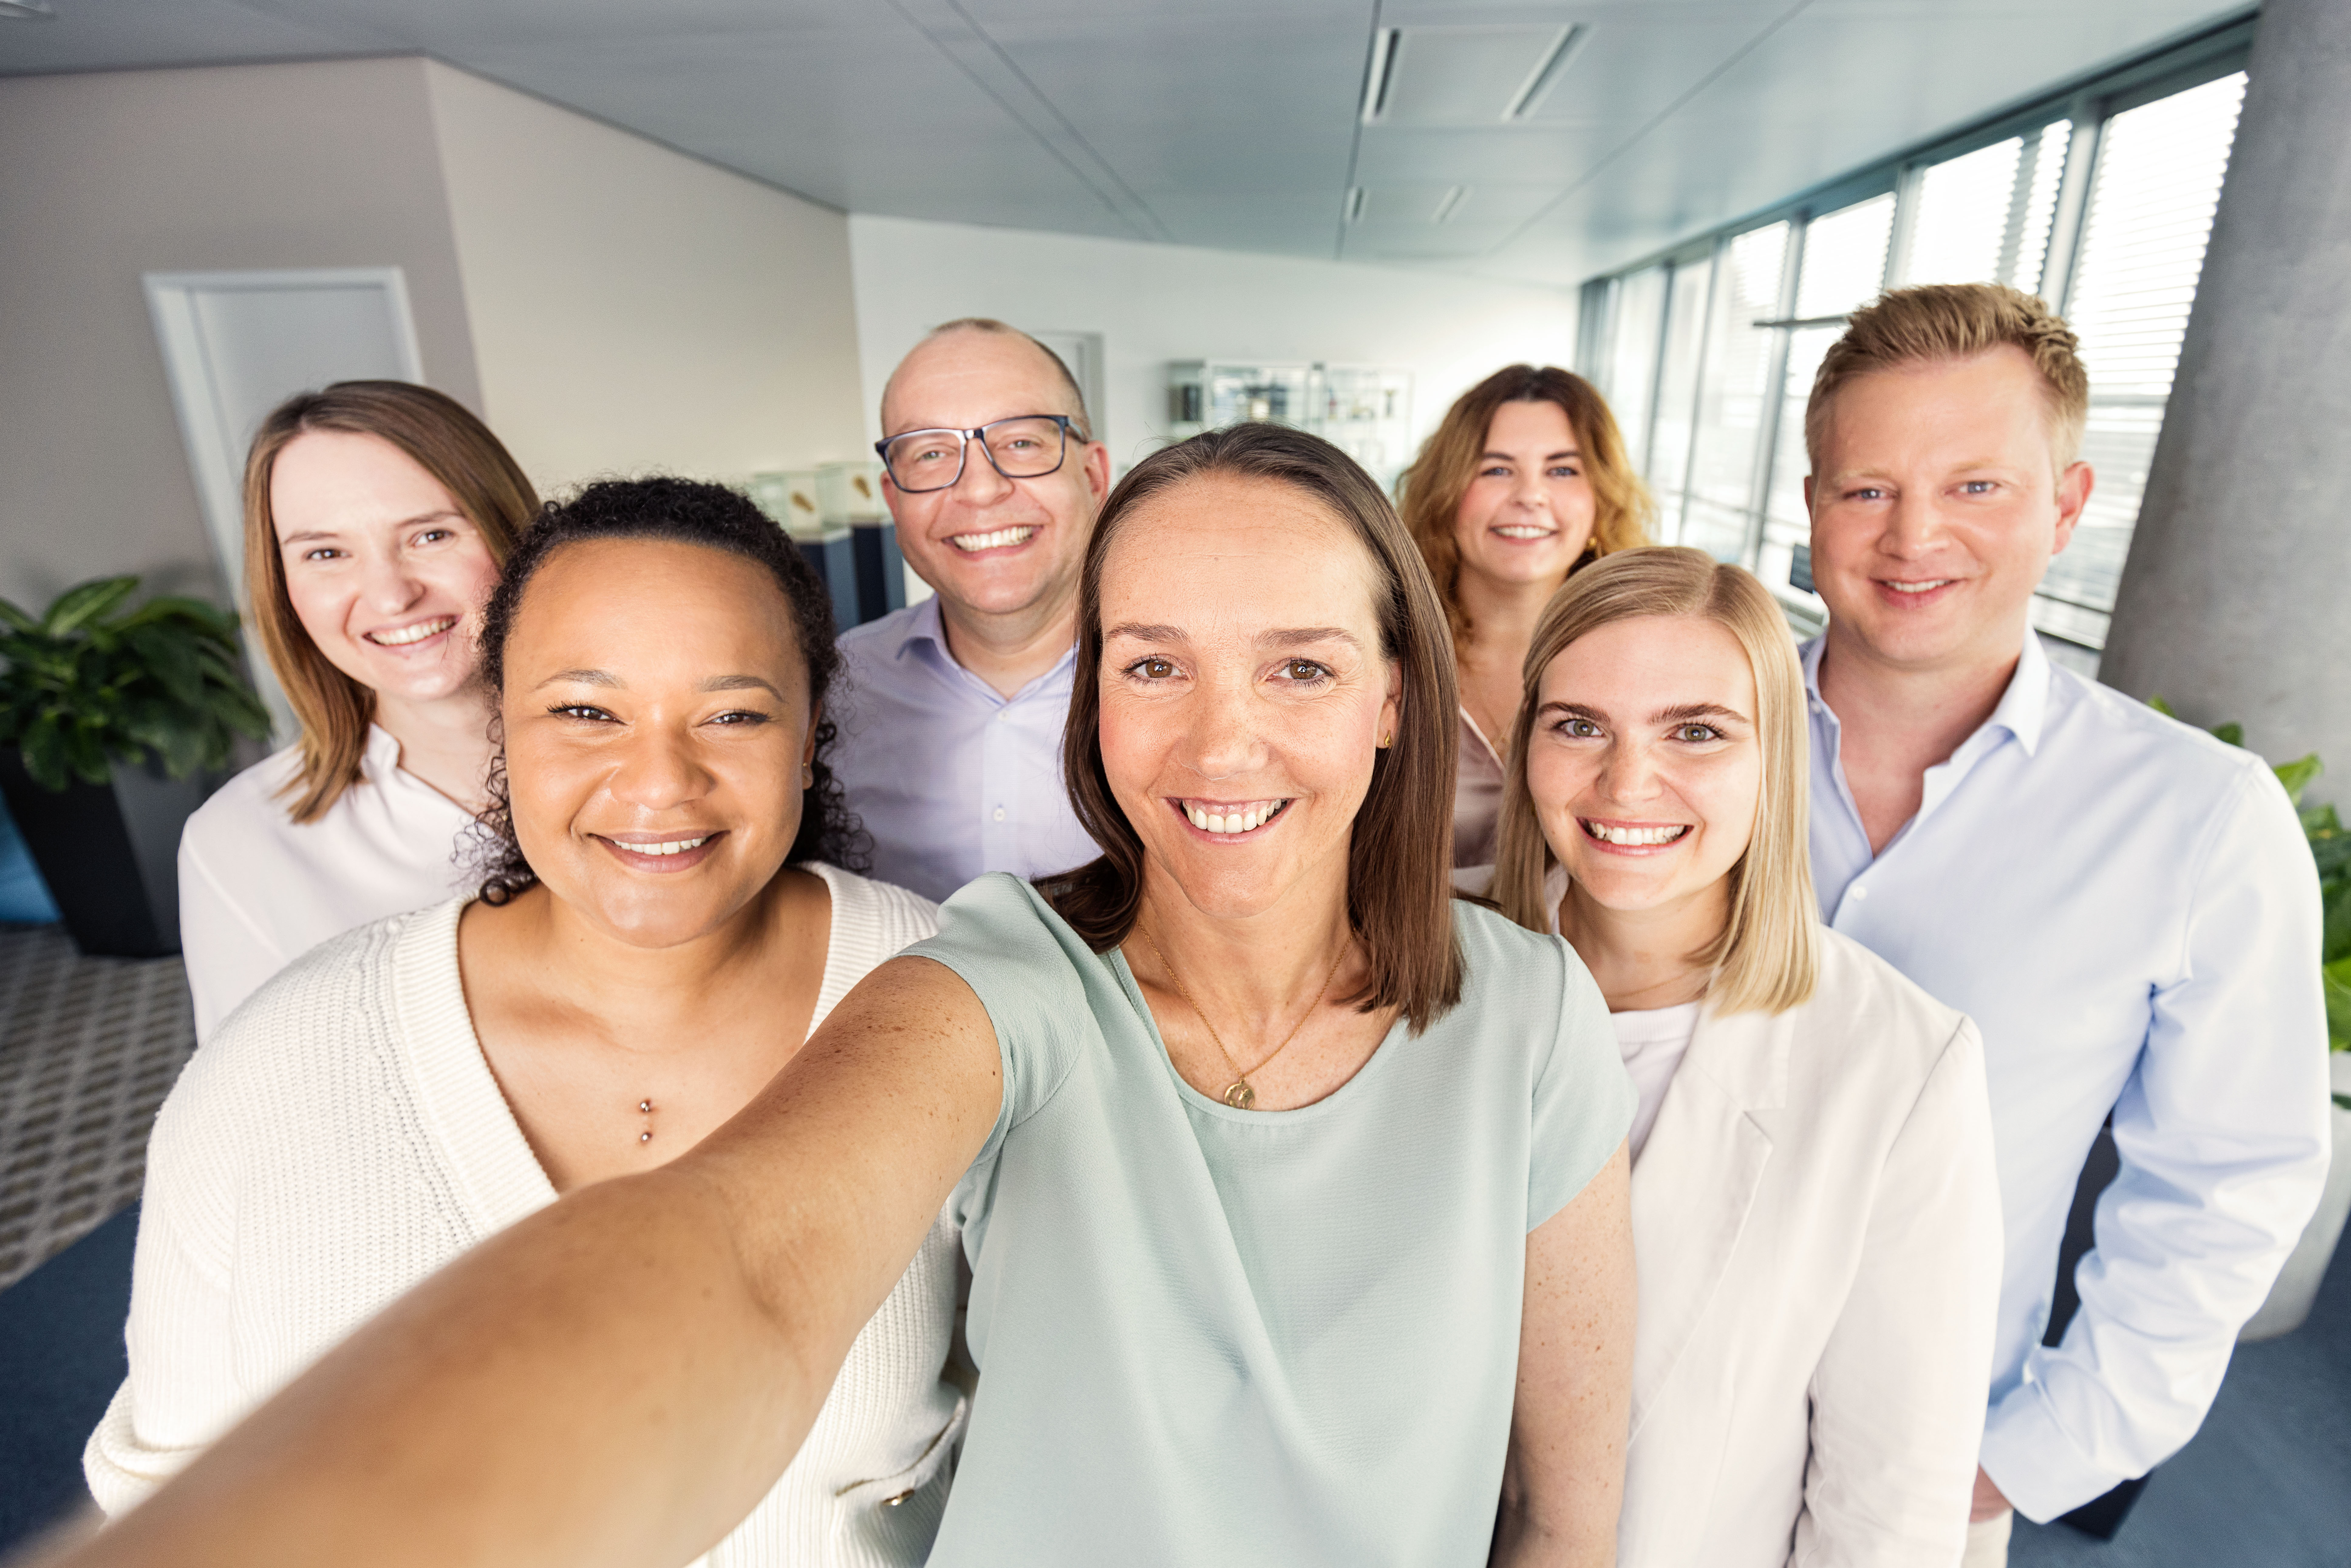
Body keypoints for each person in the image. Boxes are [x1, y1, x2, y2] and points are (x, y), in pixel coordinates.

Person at [60, 425, 1638, 1568]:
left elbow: (1563, 1504)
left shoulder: (1526, 1012)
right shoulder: (1003, 972)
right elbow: (744, 1257)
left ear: (1390, 693)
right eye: (1153, 661)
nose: (1220, 741)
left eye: (1296, 665)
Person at [86, 478, 964, 1564]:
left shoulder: (953, 999)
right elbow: (169, 1486)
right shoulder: (277, 1067)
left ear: (808, 732)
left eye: (733, 711)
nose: (658, 781)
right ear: (501, 721)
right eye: (585, 711)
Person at [1796, 284, 2331, 1563]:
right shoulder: (1676, 742)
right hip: (1610, 1399)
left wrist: (2022, 1459)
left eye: (1976, 485)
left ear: (2069, 504)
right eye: (1865, 488)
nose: (1912, 533)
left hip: (1919, 1456)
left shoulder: (2197, 819)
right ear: (1809, 504)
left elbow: (2227, 1183)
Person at [1462, 545, 2002, 1565]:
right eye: (1578, 725)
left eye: (1697, 732)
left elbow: (1886, 1508)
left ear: (1777, 759)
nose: (1627, 782)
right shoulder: (1423, 963)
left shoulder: (1898, 1067)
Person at [177, 381, 537, 1041]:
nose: (391, 595)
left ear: (513, 536)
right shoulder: (240, 840)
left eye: (430, 534)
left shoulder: (662, 758)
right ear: (283, 587)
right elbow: (252, 1115)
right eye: (326, 553)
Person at [830, 319, 1109, 901]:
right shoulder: (833, 689)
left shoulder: (1190, 680)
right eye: (931, 453)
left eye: (1023, 443)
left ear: (1093, 475)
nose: (980, 490)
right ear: (893, 500)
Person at [1399, 364, 1651, 869]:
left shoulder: (1648, 659)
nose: (1530, 496)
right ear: (1446, 494)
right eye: (1496, 469)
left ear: (1600, 500)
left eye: (1562, 470)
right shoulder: (1388, 653)